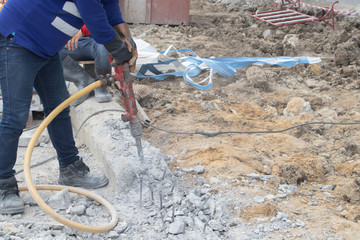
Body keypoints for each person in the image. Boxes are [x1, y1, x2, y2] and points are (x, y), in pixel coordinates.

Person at [0, 0, 137, 214]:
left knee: (59, 108)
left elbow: (111, 11)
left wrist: (128, 40)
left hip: (46, 49)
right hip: (17, 40)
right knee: (15, 116)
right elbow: (94, 18)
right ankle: (4, 184)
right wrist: (120, 50)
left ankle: (71, 168)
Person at [60, 25, 113, 106]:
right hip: (68, 44)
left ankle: (101, 85)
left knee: (102, 47)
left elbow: (100, 22)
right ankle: (84, 81)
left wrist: (82, 31)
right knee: (49, 51)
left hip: (93, 42)